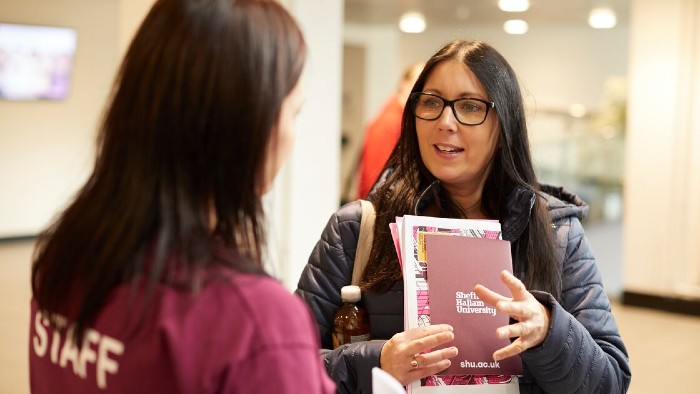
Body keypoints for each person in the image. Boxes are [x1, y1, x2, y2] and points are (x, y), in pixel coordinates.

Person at [29, 0, 334, 393]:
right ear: (244, 125)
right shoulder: (253, 323)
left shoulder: (63, 256)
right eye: (293, 113)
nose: (293, 137)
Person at [296, 39, 631, 393]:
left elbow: (610, 382)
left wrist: (549, 331)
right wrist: (377, 363)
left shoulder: (556, 233)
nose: (445, 121)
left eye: (470, 107)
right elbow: (284, 365)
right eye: (431, 102)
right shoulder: (357, 230)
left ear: (504, 125)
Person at [356, 62, 424, 199]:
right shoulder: (391, 121)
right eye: (418, 82)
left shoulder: (401, 118)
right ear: (404, 84)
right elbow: (375, 175)